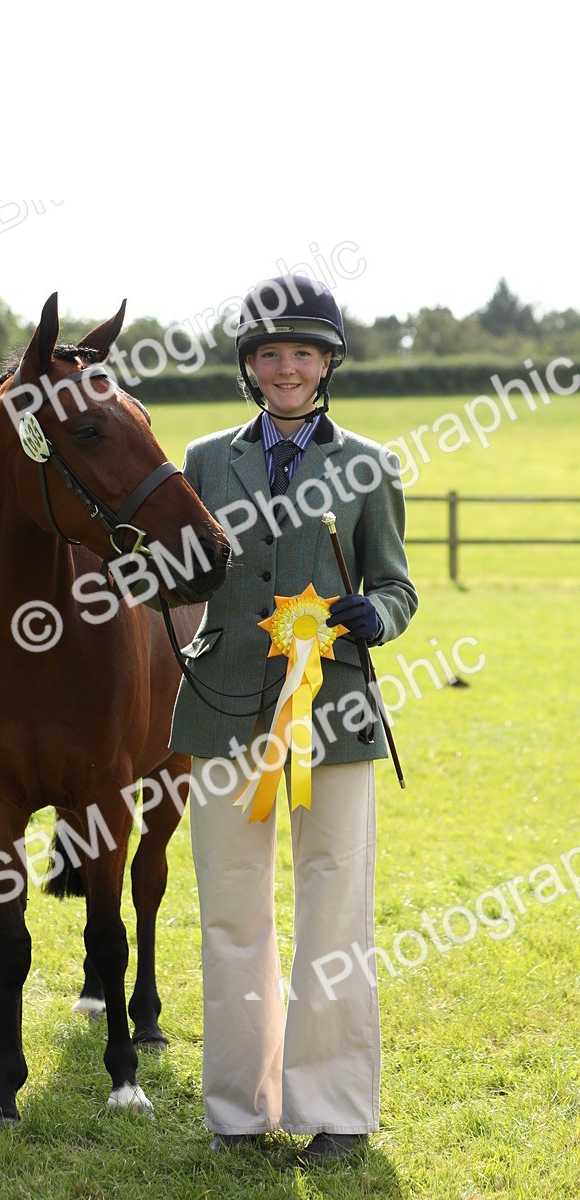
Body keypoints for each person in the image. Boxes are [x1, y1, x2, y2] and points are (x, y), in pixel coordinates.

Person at [168, 274, 418, 1164]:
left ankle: (338, 1108)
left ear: (327, 365)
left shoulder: (370, 464)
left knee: (334, 909)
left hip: (335, 715)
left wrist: (374, 617)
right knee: (231, 912)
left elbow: (398, 585)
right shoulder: (201, 460)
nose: (285, 366)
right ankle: (241, 1108)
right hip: (222, 711)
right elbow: (184, 577)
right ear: (248, 364)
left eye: (302, 353)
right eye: (269, 352)